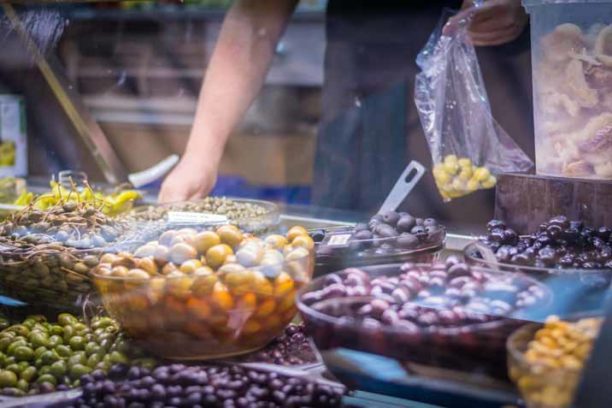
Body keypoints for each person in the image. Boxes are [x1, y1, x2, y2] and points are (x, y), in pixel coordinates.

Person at [159, 0, 531, 224]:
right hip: (358, 109)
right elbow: (255, 18)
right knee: (346, 271)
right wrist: (200, 156)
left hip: (484, 111)